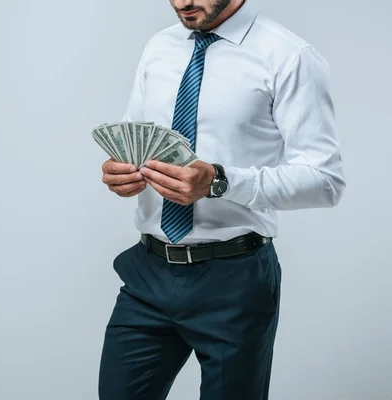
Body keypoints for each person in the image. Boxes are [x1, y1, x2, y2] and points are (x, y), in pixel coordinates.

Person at [97, 0, 346, 399]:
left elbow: (325, 180)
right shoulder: (159, 46)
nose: (182, 2)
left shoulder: (288, 56)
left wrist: (219, 181)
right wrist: (121, 172)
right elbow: (133, 139)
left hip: (234, 280)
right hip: (148, 273)